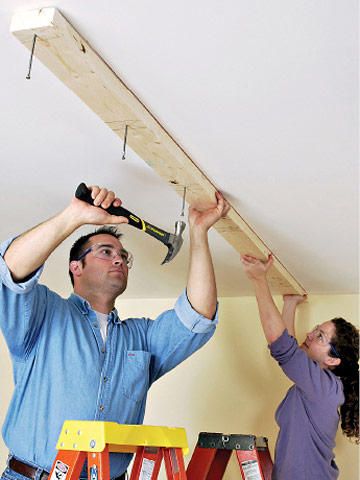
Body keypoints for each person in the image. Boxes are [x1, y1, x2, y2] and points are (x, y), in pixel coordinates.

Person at [0, 184, 230, 480]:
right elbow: (9, 270)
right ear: (76, 267)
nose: (119, 259)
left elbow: (199, 315)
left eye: (123, 255)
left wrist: (199, 233)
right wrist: (74, 216)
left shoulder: (142, 338)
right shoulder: (44, 313)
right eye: (105, 252)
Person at [240, 253, 359, 480]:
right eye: (315, 329)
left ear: (333, 360)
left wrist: (259, 280)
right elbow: (290, 349)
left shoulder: (325, 389)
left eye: (320, 336)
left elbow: (284, 348)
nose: (310, 334)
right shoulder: (318, 386)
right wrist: (290, 304)